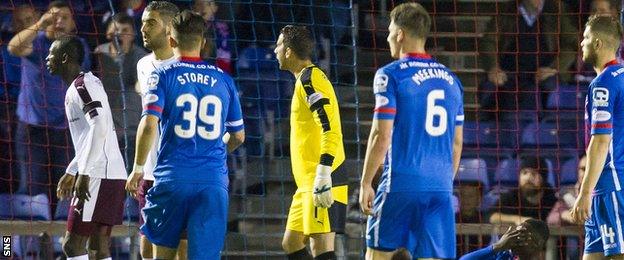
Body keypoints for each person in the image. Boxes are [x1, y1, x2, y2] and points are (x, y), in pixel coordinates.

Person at [125, 10, 245, 259]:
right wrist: (213, 152)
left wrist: (137, 167)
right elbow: (238, 137)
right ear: (203, 42)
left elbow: (149, 124)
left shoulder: (163, 75)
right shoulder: (225, 80)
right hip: (212, 182)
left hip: (172, 179)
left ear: (171, 40)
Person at [358, 3, 464, 259]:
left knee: (377, 254)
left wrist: (365, 183)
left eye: (389, 30)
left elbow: (380, 136)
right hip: (440, 187)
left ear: (400, 34)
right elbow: (457, 143)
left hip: (401, 183)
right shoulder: (452, 80)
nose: (387, 37)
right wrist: (441, 183)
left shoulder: (389, 75)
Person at [47, 35, 126, 260]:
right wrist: (73, 170)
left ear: (64, 57)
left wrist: (84, 172)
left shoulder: (82, 86)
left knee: (72, 246)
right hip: (109, 172)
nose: (47, 58)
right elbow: (93, 134)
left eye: (51, 54)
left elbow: (99, 125)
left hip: (99, 174)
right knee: (98, 249)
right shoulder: (84, 85)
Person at [8, 0, 91, 207]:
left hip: (65, 127)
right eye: (54, 17)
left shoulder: (78, 46)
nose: (59, 21)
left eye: (64, 17)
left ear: (73, 23)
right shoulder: (36, 42)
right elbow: (13, 48)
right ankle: (24, 240)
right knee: (31, 189)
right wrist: (39, 24)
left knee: (65, 190)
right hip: (32, 128)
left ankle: (58, 239)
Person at [274, 25, 347, 260]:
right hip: (306, 182)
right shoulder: (303, 80)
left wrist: (324, 172)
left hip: (324, 176)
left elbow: (331, 128)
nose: (274, 50)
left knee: (321, 248)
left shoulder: (310, 80)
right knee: (291, 242)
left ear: (288, 51)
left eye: (278, 45)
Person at [571, 15, 624, 259]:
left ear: (598, 43)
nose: (582, 43)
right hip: (607, 188)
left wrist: (584, 193)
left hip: (611, 186)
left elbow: (601, 141)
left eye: (586, 37)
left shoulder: (603, 84)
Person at [134, 1, 180, 259]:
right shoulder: (142, 64)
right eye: (142, 23)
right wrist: (139, 168)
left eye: (151, 23)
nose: (143, 29)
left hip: (177, 171)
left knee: (180, 249)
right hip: (150, 171)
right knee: (147, 249)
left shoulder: (185, 64)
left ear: (169, 28)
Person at [478, 0, 577, 120]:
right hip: (509, 73)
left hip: (544, 73)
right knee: (490, 89)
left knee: (549, 87)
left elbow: (571, 44)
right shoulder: (506, 10)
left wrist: (554, 68)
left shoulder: (557, 9)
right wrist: (493, 68)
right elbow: (488, 41)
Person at [94, 12, 147, 170]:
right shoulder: (99, 53)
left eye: (125, 30)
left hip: (130, 129)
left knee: (129, 174)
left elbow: (140, 85)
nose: (120, 34)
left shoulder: (141, 57)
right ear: (108, 33)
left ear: (133, 35)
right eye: (116, 30)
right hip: (105, 128)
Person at [0, 4, 38, 193]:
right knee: (24, 169)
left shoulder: (47, 44)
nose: (24, 25)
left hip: (46, 115)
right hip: (17, 112)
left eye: (28, 20)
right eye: (20, 22)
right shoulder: (8, 51)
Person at [459, 219, 550, 260]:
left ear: (537, 244)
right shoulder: (502, 255)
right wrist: (497, 246)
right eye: (515, 232)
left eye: (522, 234)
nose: (515, 237)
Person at [192, 0, 233, 74]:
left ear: (215, 8)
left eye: (208, 4)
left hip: (216, 72)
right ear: (193, 7)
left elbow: (225, 58)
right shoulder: (187, 27)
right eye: (199, 4)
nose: (204, 8)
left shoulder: (221, 28)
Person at [547, 155, 587, 226]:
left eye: (590, 169)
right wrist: (563, 214)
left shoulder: (606, 194)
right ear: (577, 171)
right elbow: (551, 220)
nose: (587, 174)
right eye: (583, 169)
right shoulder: (566, 193)